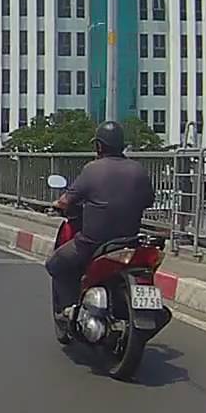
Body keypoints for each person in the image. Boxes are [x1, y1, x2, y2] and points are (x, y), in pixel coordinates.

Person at [46, 121, 155, 331]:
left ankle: (68, 309)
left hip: (92, 243)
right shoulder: (138, 170)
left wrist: (57, 205)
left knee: (55, 264)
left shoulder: (92, 169)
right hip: (129, 242)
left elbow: (66, 201)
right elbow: (149, 200)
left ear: (99, 146)